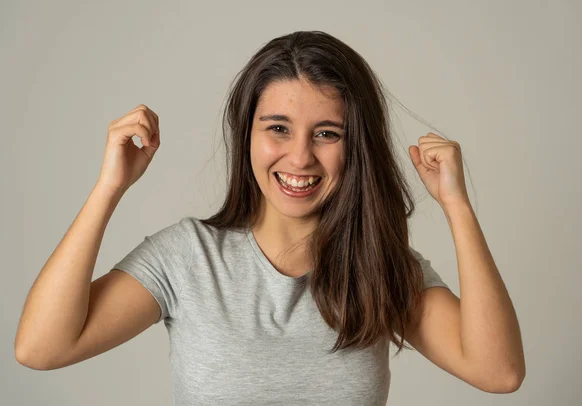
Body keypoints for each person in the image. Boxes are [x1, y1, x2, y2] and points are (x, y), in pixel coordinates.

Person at [15, 30, 525, 404]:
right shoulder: (187, 258)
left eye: (327, 133)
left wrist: (457, 207)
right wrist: (110, 188)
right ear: (248, 136)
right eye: (278, 128)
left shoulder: (380, 268)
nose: (299, 157)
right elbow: (41, 348)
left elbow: (498, 372)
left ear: (357, 147)